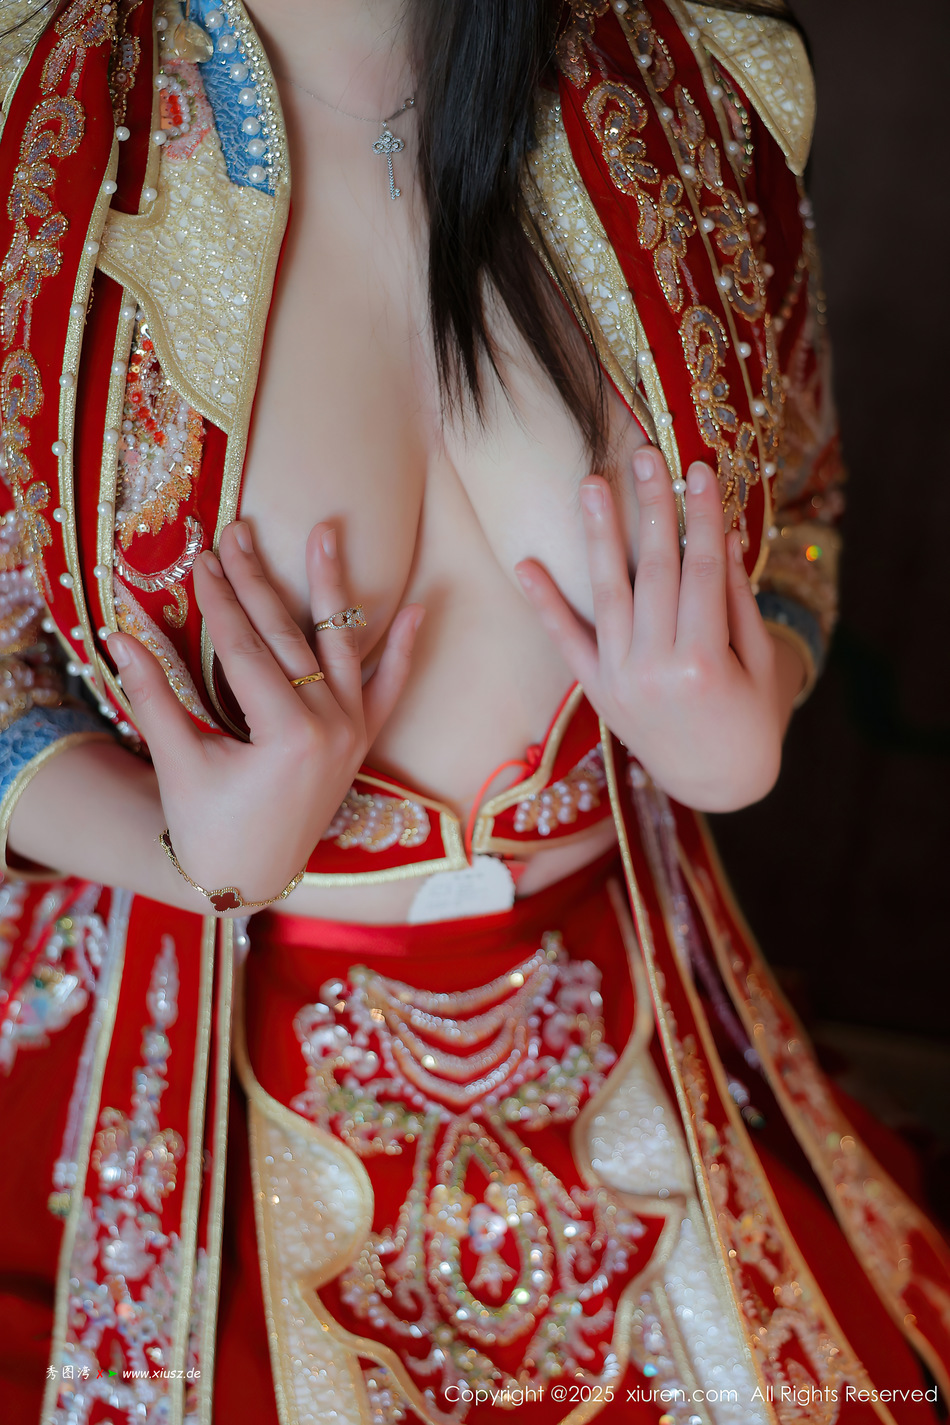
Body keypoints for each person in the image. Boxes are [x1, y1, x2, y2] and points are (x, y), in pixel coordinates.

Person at [0, 0, 947, 1421]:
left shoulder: (690, 66)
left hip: (626, 1022)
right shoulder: (34, 122)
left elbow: (798, 494)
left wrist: (752, 707)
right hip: (194, 1051)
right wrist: (175, 847)